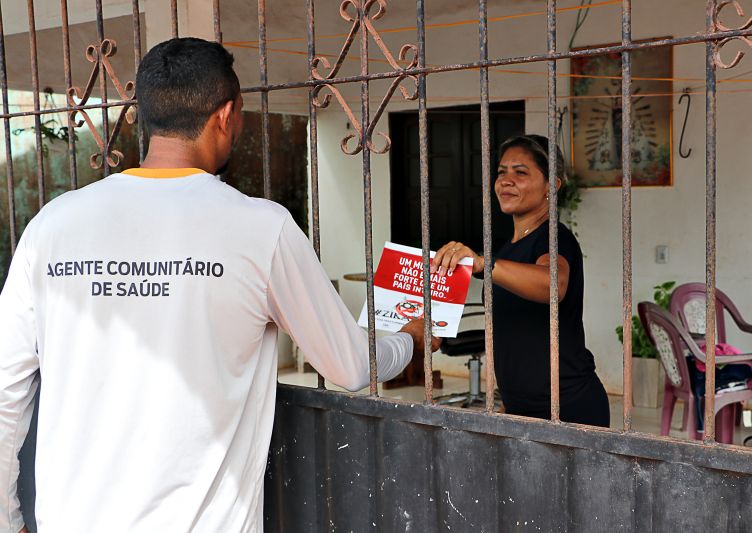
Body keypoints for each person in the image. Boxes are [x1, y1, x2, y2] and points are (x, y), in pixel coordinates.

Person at [0, 37, 438, 533]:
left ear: (144, 115)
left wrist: (7, 517)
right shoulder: (259, 228)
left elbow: (5, 391)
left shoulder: (52, 225)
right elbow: (352, 363)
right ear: (226, 115)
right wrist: (412, 338)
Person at [431, 134, 609, 427]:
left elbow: (553, 284)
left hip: (567, 409)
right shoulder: (507, 249)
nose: (506, 180)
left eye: (521, 172)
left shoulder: (554, 237)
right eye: (502, 172)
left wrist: (482, 264)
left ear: (552, 186)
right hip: (521, 409)